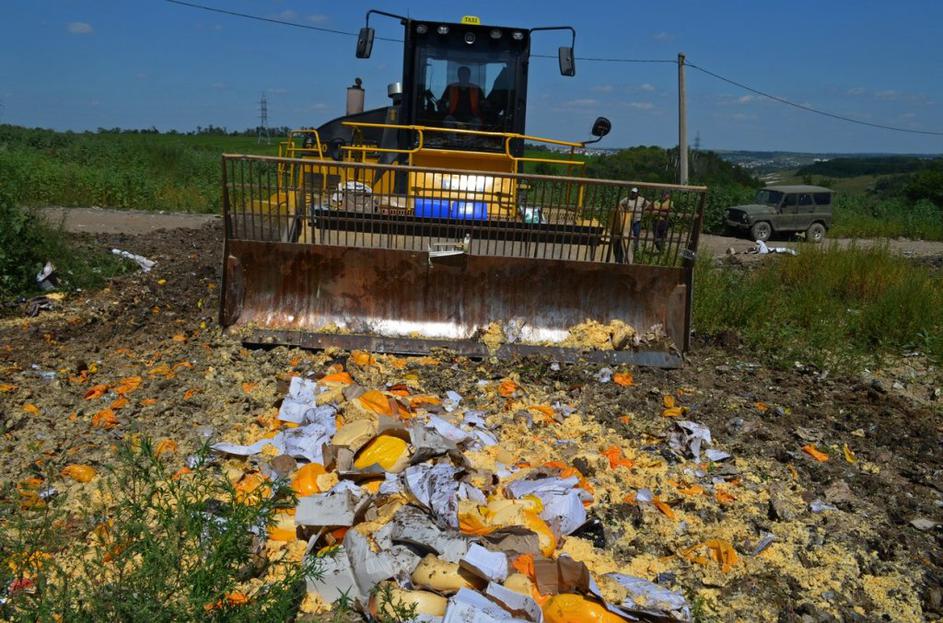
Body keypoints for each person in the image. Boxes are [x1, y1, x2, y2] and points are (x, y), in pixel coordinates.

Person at [611, 187, 650, 264]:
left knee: (636, 234)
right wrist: (623, 210)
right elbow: (619, 203)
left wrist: (644, 210)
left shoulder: (641, 199)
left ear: (637, 193)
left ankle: (636, 248)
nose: (633, 194)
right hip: (628, 220)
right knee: (625, 234)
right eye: (632, 192)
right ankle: (626, 248)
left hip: (637, 220)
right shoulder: (627, 199)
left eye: (634, 193)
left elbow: (649, 204)